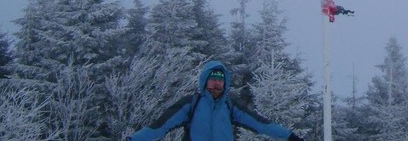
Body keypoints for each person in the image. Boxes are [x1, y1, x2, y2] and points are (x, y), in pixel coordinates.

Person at [127, 60, 305, 141]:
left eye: (220, 79)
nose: (217, 82)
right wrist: (134, 139)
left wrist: (289, 136)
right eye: (213, 78)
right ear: (205, 80)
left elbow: (260, 124)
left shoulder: (229, 106)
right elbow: (160, 126)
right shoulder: (191, 104)